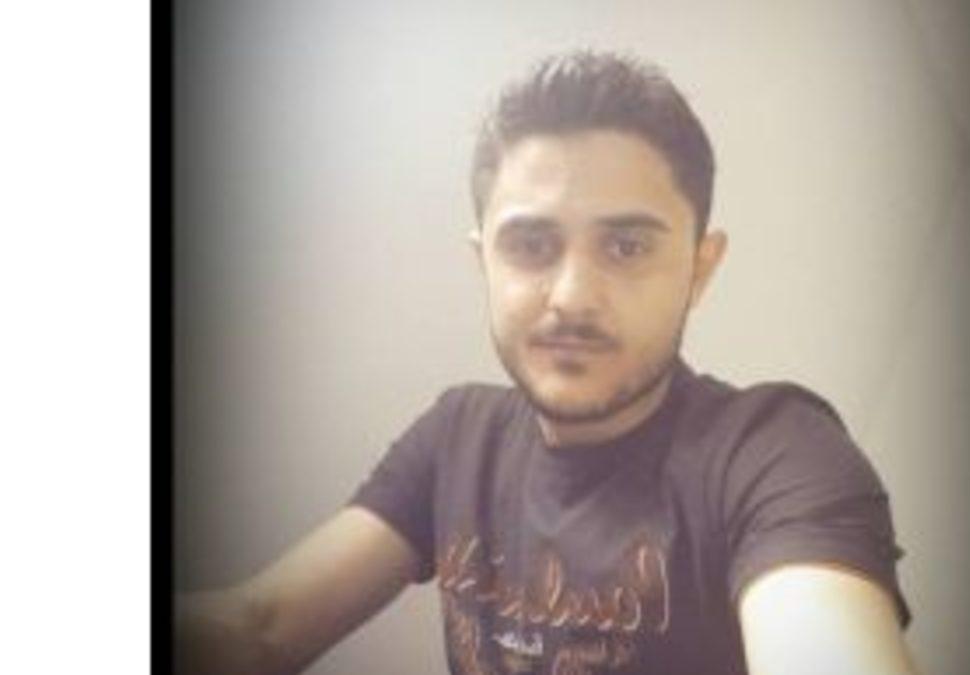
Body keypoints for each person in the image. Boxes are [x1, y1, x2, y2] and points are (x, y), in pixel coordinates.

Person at [175, 50, 918, 675]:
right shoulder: (456, 436)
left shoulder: (772, 452)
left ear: (700, 267)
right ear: (485, 262)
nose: (571, 297)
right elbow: (260, 628)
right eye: (531, 245)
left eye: (626, 246)